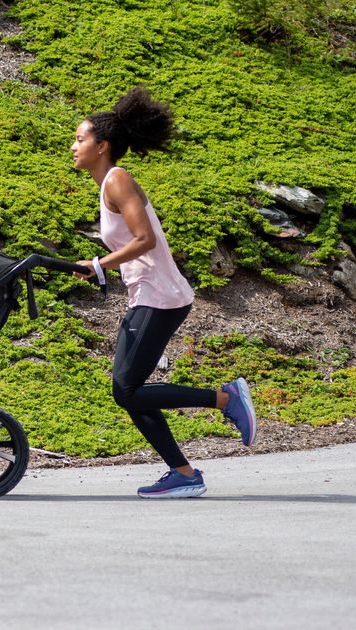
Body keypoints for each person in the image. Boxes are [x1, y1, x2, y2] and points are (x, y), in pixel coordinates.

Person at [70, 87, 256, 499]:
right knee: (128, 391)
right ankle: (184, 473)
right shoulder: (108, 185)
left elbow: (145, 239)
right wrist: (100, 270)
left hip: (162, 296)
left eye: (80, 139)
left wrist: (101, 264)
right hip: (148, 294)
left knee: (127, 390)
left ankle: (226, 399)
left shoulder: (117, 180)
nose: (74, 146)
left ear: (102, 146)